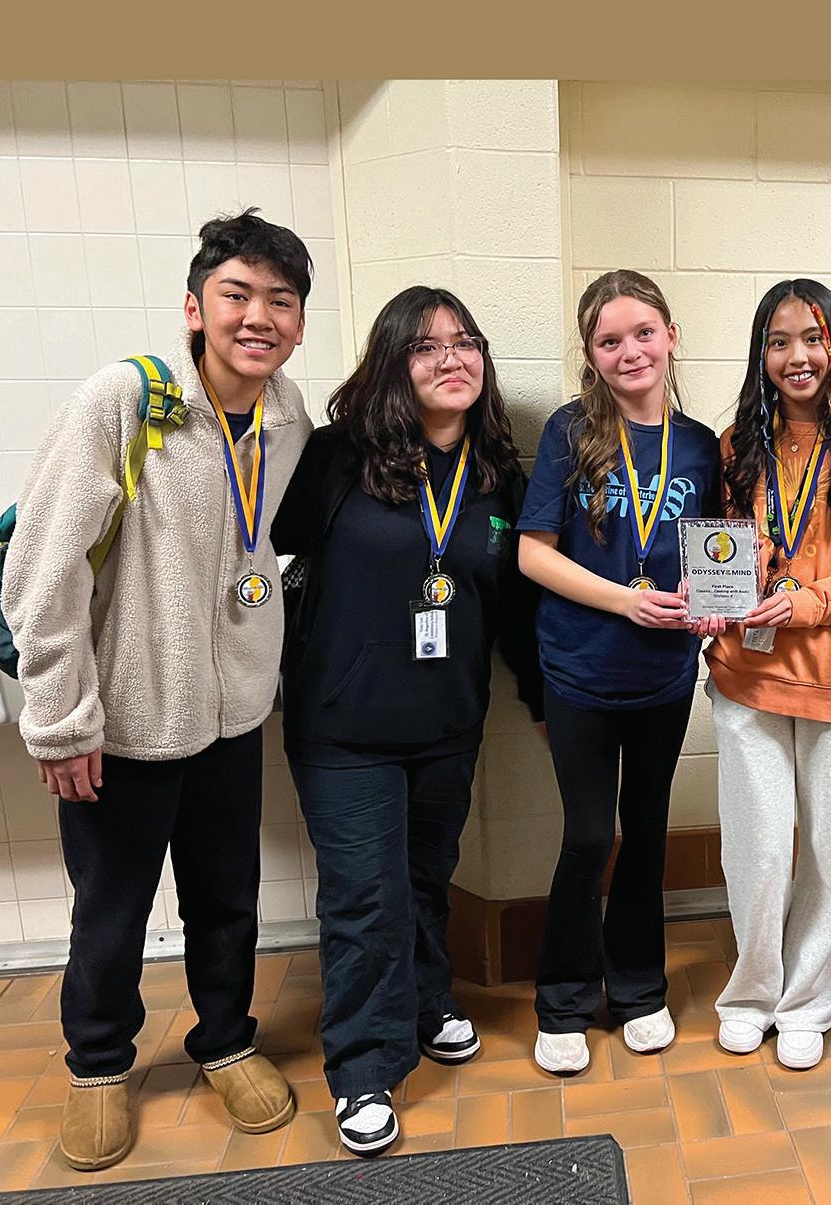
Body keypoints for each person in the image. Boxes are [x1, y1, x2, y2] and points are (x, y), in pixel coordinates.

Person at [3, 208, 312, 1170]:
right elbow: (43, 570)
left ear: (300, 323)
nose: (258, 317)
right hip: (124, 719)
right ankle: (99, 1064)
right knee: (112, 908)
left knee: (227, 898)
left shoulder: (288, 417)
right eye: (237, 295)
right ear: (194, 307)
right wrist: (62, 722)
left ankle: (225, 1040)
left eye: (281, 301)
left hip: (230, 715)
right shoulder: (126, 402)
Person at [274, 286, 543, 1155]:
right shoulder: (335, 457)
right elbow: (259, 555)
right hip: (342, 725)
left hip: (447, 723)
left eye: (465, 342)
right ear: (394, 364)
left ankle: (426, 1000)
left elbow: (516, 610)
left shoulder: (499, 475)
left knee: (427, 879)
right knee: (366, 897)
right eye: (426, 347)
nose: (451, 359)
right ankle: (363, 1064)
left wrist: (539, 702)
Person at [705, 279, 831, 1071]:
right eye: (778, 341)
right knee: (757, 851)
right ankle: (751, 997)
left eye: (811, 338)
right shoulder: (736, 444)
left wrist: (802, 602)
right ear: (761, 355)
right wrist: (726, 585)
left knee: (824, 851)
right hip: (745, 676)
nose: (797, 356)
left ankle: (807, 1004)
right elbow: (718, 556)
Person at [517, 270, 724, 1075]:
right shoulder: (571, 432)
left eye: (643, 332)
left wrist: (710, 601)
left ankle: (638, 989)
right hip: (579, 672)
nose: (630, 350)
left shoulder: (701, 444)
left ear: (671, 336)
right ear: (591, 354)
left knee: (646, 832)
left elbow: (716, 554)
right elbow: (533, 555)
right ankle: (564, 999)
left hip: (664, 676)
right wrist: (625, 602)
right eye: (610, 340)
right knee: (587, 835)